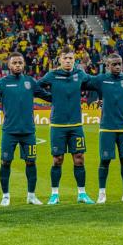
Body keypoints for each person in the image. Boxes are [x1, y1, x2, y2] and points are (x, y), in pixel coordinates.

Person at [0, 52, 51, 206]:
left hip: (28, 132)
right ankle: (6, 196)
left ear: (24, 65)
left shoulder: (30, 82)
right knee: (5, 162)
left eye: (20, 62)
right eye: (14, 63)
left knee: (31, 162)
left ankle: (31, 196)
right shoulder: (2, 83)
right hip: (9, 131)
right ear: (9, 65)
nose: (18, 65)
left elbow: (48, 96)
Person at [38, 46, 95, 205]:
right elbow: (37, 88)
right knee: (57, 159)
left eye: (71, 58)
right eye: (65, 58)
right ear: (60, 60)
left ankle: (82, 194)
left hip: (76, 125)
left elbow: (94, 82)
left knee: (79, 158)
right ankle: (54, 194)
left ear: (74, 60)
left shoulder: (80, 74)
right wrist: (51, 98)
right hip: (58, 125)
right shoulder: (52, 75)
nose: (68, 61)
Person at [85, 53, 123, 204]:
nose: (117, 67)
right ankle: (102, 193)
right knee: (105, 160)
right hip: (107, 127)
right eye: (114, 64)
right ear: (107, 66)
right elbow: (83, 82)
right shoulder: (100, 79)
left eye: (119, 64)